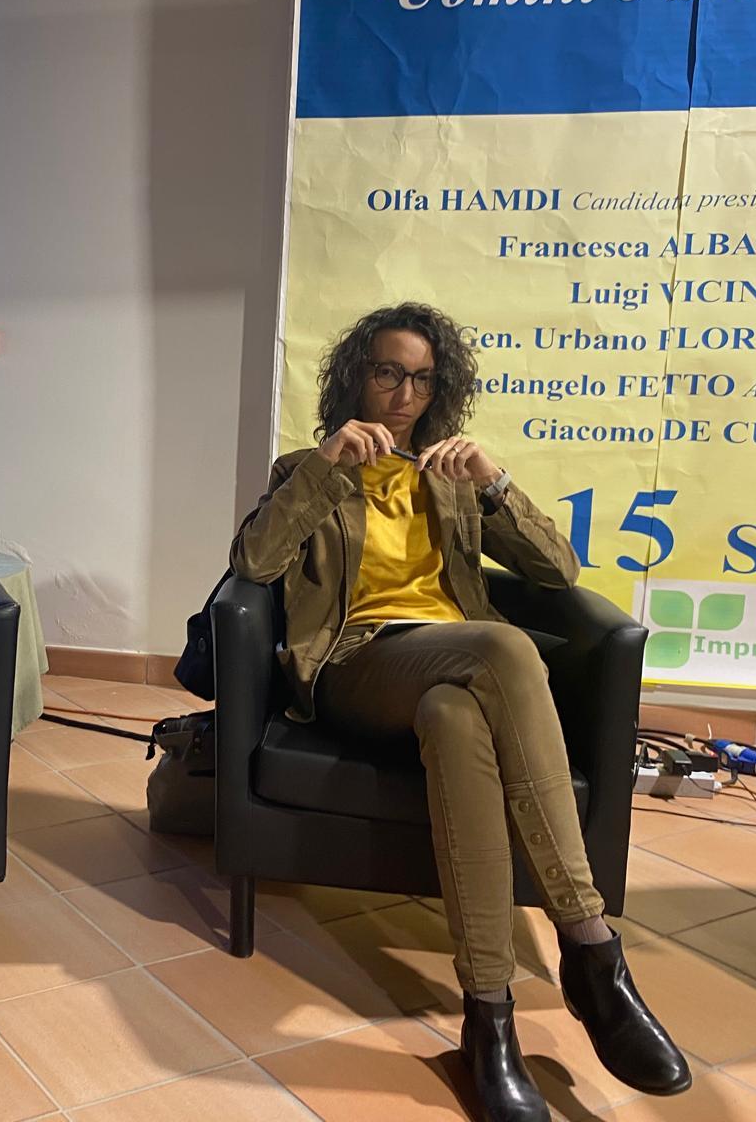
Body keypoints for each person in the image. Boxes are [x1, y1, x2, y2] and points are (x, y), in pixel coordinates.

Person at [230, 303, 688, 1122]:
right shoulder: (307, 465)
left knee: (455, 718)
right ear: (356, 376)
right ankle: (591, 947)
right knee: (505, 649)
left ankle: (488, 1017)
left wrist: (495, 483)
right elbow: (255, 562)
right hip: (356, 663)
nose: (405, 393)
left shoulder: (448, 473)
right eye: (388, 372)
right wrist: (324, 468)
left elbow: (559, 570)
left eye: (422, 379)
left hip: (451, 668)